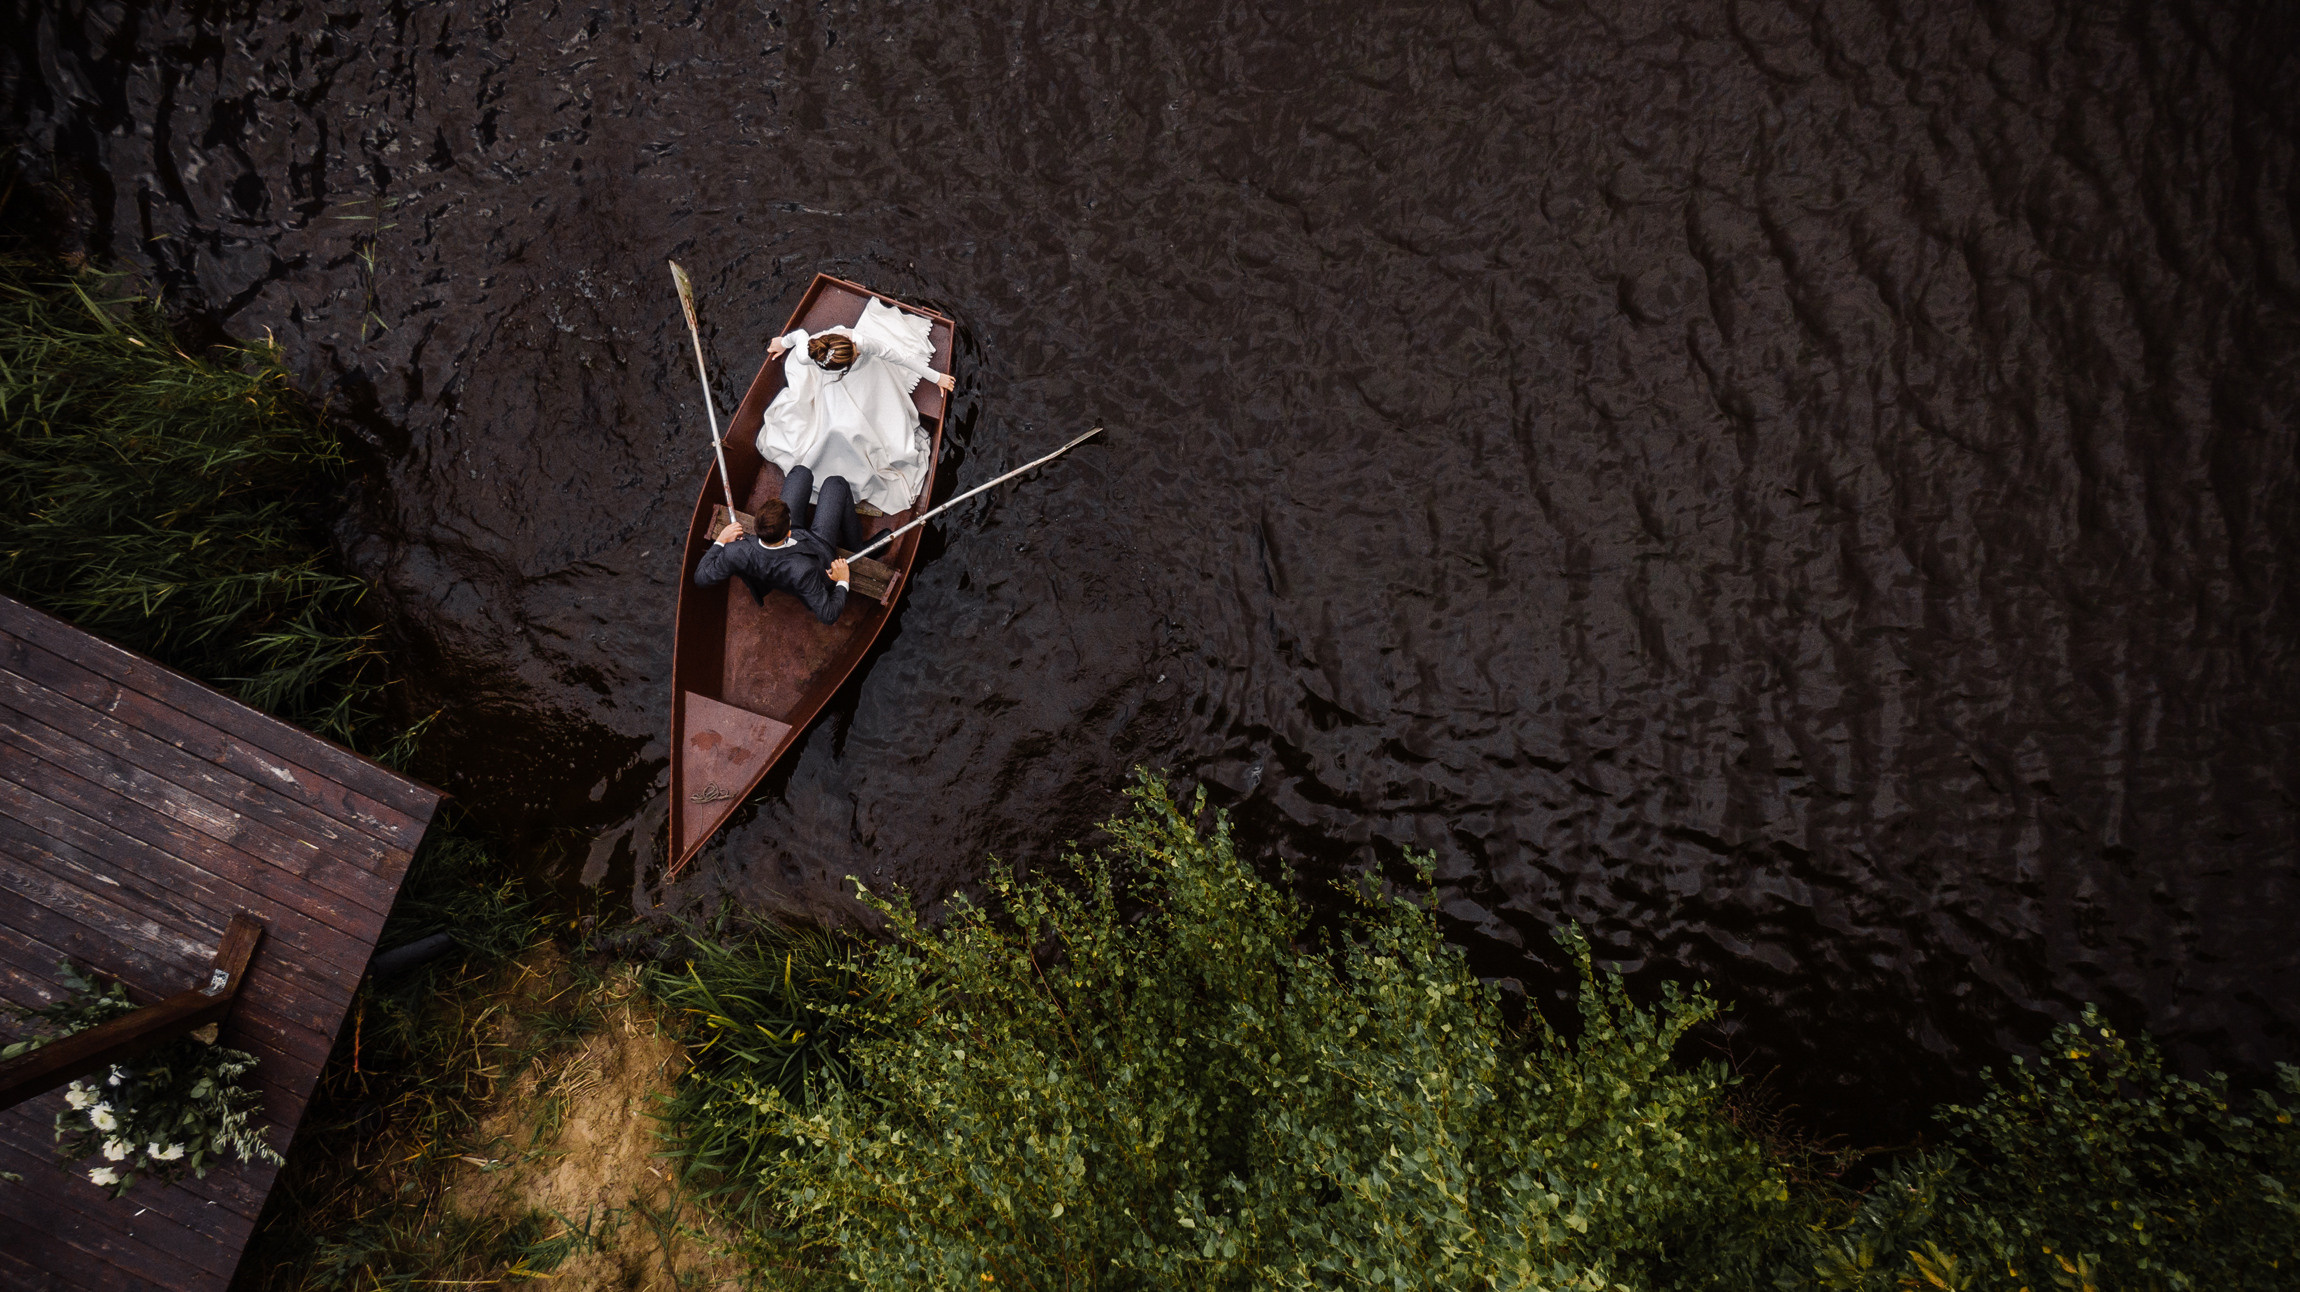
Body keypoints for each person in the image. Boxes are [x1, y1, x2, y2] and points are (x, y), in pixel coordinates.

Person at [757, 298, 954, 516]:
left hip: (870, 378)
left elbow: (899, 357)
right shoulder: (810, 356)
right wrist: (783, 343)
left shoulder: (862, 343)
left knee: (864, 418)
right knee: (840, 429)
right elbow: (800, 336)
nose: (857, 353)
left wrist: (936, 378)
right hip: (833, 389)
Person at [691, 466, 866, 624]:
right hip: (818, 551)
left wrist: (721, 540)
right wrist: (843, 580)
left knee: (801, 473)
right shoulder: (804, 570)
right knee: (835, 484)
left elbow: (701, 576)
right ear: (788, 531)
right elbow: (828, 615)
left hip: (780, 557)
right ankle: (857, 546)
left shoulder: (735, 551)